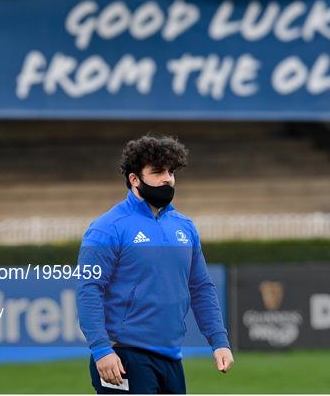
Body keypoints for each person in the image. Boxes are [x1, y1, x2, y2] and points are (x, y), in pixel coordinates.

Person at [76, 135, 234, 394]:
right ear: (134, 179)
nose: (168, 179)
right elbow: (89, 289)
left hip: (171, 357)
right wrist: (101, 349)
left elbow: (201, 288)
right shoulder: (107, 228)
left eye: (171, 172)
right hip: (123, 356)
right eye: (158, 172)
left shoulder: (185, 227)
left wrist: (219, 341)